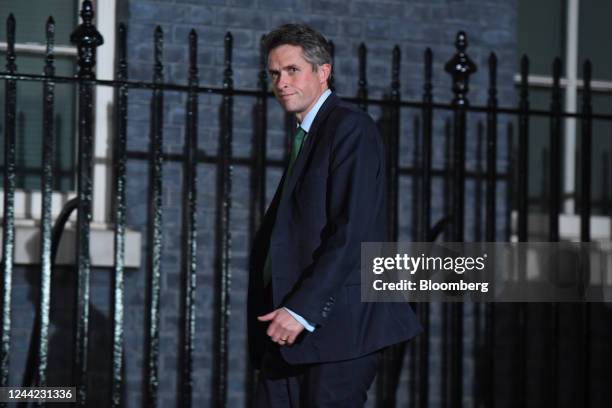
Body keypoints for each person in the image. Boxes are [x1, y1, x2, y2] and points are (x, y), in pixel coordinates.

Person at [247, 23, 421, 407]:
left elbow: (353, 230)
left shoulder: (349, 127)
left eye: (292, 70)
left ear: (323, 71)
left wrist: (302, 309)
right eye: (274, 73)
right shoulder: (310, 134)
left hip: (337, 333)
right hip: (289, 337)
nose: (281, 82)